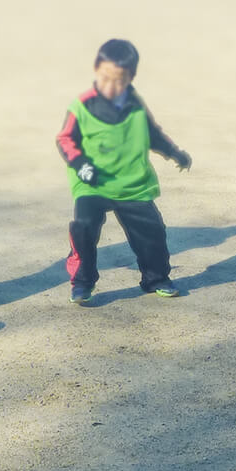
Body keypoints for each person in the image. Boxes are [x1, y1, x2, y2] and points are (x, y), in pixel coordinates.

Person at [55, 39, 192, 305]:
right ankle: (82, 282)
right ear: (96, 69)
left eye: (119, 80)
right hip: (92, 183)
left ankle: (156, 278)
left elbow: (153, 134)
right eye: (105, 78)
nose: (111, 86)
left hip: (132, 183)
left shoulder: (136, 106)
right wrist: (81, 165)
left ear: (131, 77)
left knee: (152, 233)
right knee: (83, 229)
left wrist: (174, 152)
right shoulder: (81, 106)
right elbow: (65, 140)